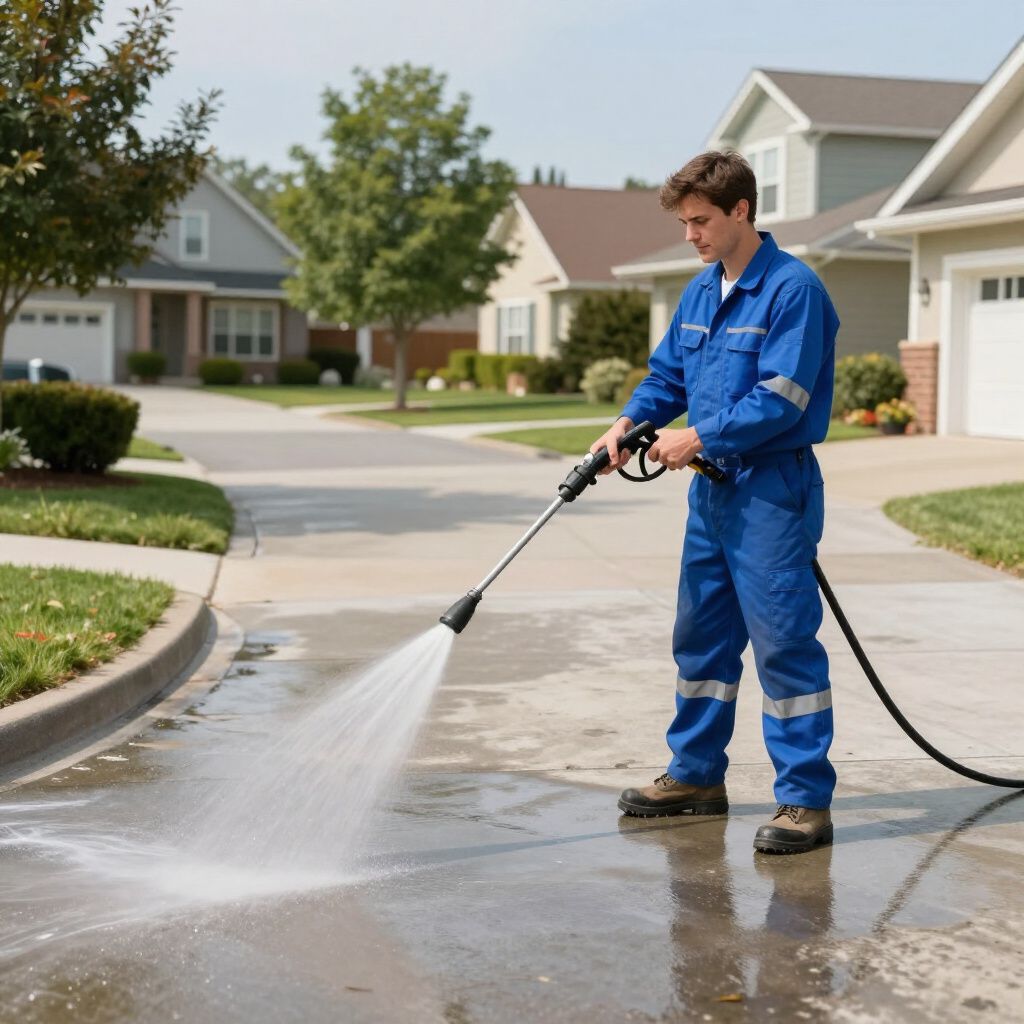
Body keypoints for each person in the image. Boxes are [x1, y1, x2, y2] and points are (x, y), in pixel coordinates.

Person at [592, 150, 839, 854]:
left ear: (741, 211)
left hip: (770, 490)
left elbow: (781, 398)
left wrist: (697, 434)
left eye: (700, 221)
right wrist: (628, 426)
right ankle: (696, 777)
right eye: (684, 222)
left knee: (784, 645)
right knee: (701, 639)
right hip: (712, 493)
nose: (691, 234)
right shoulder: (701, 293)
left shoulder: (794, 291)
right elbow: (667, 375)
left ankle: (803, 803)